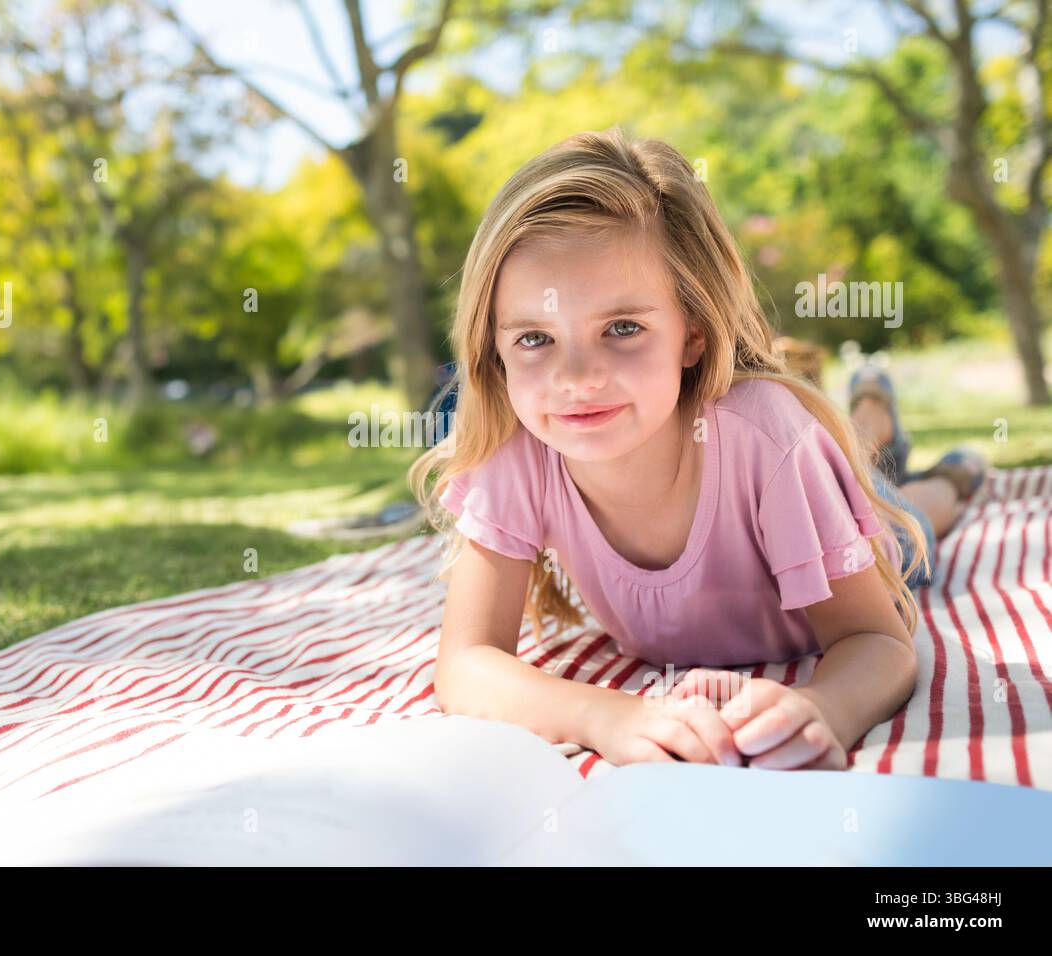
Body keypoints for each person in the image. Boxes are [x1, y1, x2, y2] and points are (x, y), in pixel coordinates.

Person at [407, 127, 988, 772]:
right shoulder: (519, 452)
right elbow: (464, 665)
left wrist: (825, 708)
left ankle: (940, 461)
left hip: (843, 517)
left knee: (907, 519)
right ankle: (870, 419)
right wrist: (607, 714)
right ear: (495, 347)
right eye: (535, 339)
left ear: (693, 333)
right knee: (867, 465)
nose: (575, 378)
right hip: (804, 475)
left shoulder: (770, 440)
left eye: (622, 328)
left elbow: (878, 640)